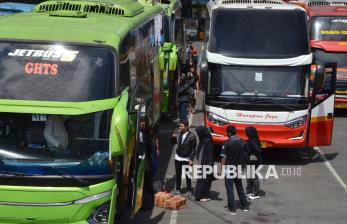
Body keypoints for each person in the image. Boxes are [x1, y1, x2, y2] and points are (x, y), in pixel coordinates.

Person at [221, 125, 249, 215]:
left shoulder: (227, 143)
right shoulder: (242, 142)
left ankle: (232, 208)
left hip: (230, 169)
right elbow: (246, 155)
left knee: (230, 188)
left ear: (229, 133)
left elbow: (223, 158)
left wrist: (222, 169)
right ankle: (245, 206)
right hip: (239, 168)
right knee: (239, 186)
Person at [171, 120, 196, 198]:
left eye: (181, 126)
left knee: (188, 175)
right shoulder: (178, 134)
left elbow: (193, 149)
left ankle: (189, 191)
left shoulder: (192, 136)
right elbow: (173, 143)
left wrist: (191, 159)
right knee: (178, 174)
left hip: (186, 158)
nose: (180, 128)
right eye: (179, 126)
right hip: (178, 157)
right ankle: (178, 189)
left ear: (186, 127)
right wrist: (172, 137)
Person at [194, 126, 214, 202]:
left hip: (206, 164)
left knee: (204, 180)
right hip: (203, 163)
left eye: (198, 133)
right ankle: (200, 195)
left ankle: (202, 196)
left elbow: (209, 155)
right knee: (203, 180)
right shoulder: (204, 139)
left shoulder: (207, 142)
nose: (198, 135)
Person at [245, 126, 262, 200]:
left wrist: (250, 152)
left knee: (254, 177)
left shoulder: (253, 141)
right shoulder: (252, 139)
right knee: (249, 177)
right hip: (251, 161)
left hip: (253, 161)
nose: (246, 133)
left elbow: (258, 150)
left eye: (247, 132)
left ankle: (256, 194)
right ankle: (249, 191)